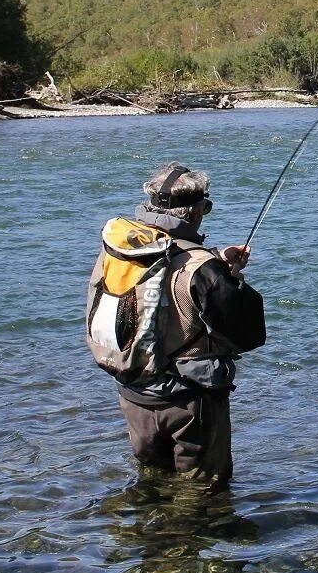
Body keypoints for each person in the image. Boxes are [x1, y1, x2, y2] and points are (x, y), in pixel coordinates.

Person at [87, 162, 266, 483]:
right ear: (198, 210)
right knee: (202, 491)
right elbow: (247, 335)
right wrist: (231, 280)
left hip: (132, 392)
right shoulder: (204, 270)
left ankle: (144, 529)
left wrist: (216, 259)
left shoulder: (117, 248)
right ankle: (190, 532)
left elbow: (164, 270)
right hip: (188, 403)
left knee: (152, 480)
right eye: (205, 206)